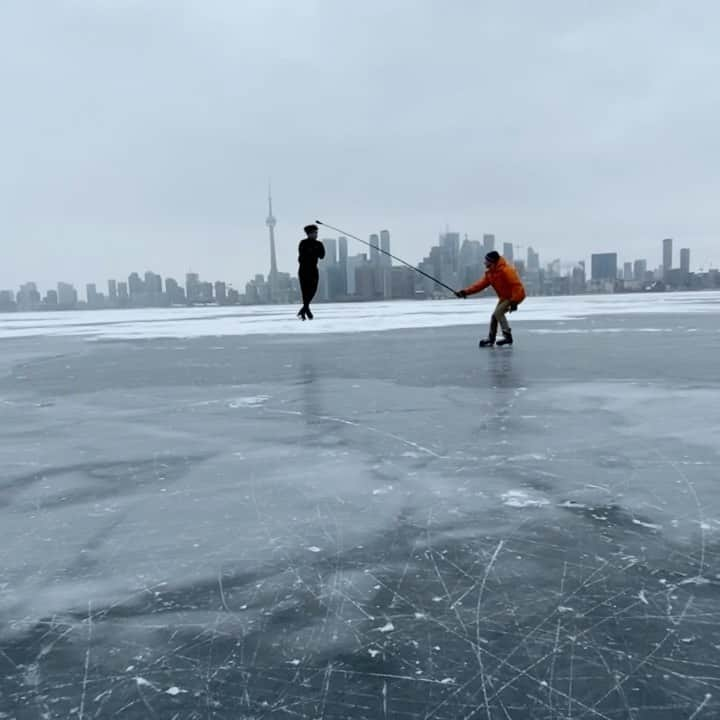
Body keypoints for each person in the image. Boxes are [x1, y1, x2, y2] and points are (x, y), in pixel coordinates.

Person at [456, 250, 526, 347]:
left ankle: (507, 336)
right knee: (494, 317)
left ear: (492, 261)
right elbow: (479, 286)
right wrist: (464, 292)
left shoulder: (506, 270)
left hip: (515, 295)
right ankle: (491, 339)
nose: (484, 262)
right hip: (505, 297)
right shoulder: (490, 274)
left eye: (486, 260)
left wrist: (514, 301)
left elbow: (516, 286)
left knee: (498, 313)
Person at [297, 224, 325, 320]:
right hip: (304, 269)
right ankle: (306, 311)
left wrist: (315, 250)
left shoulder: (319, 244)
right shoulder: (303, 243)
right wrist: (313, 251)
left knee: (313, 290)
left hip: (313, 269)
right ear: (309, 234)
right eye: (314, 233)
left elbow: (322, 255)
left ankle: (304, 310)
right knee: (305, 292)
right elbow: (302, 256)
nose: (316, 234)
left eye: (316, 233)